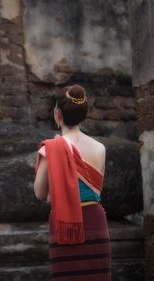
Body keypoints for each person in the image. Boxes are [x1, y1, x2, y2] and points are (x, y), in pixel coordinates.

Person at [34, 85, 111, 281]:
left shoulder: (51, 149)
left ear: (57, 114)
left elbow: (40, 193)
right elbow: (96, 190)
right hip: (95, 219)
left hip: (65, 223)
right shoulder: (100, 148)